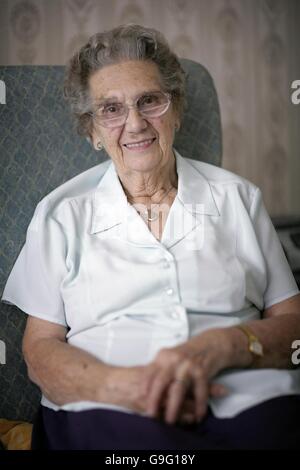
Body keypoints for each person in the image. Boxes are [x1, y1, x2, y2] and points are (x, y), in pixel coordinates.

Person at [2, 24, 300, 450]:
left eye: (150, 101)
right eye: (111, 109)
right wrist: (126, 388)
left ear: (176, 108)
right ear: (92, 131)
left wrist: (228, 344)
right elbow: (40, 348)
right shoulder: (61, 215)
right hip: (105, 405)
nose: (136, 123)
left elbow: (293, 326)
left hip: (243, 396)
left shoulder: (238, 199)